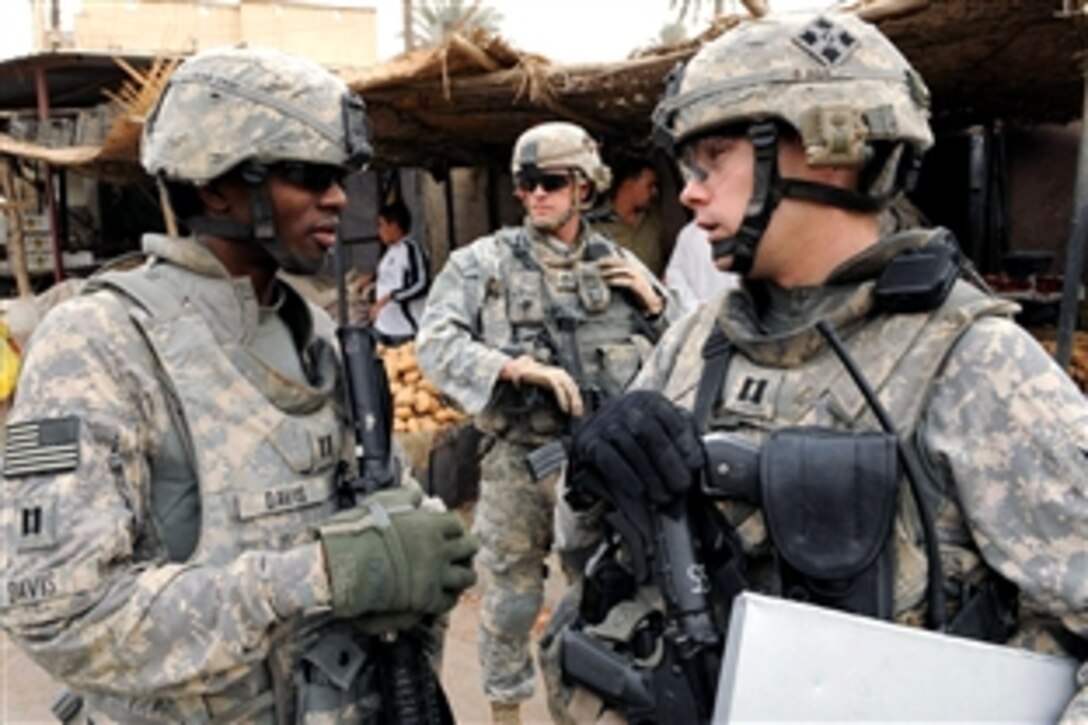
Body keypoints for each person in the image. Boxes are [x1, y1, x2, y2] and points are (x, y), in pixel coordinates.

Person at [547, 13, 1088, 722]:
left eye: (715, 155)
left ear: (833, 146)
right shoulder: (694, 345)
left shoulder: (975, 364)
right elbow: (581, 563)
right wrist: (589, 482)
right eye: (687, 166)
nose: (690, 190)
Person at [0, 46, 477, 723]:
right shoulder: (99, 342)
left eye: (338, 175)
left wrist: (420, 549)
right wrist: (323, 575)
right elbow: (54, 612)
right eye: (308, 175)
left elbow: (380, 511)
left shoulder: (314, 332)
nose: (337, 196)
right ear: (216, 186)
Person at [416, 121, 678, 724]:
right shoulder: (483, 263)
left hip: (601, 465)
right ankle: (506, 714)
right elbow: (434, 343)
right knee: (509, 598)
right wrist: (509, 367)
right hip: (520, 457)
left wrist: (657, 303)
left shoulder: (619, 264)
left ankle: (582, 709)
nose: (537, 194)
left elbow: (683, 350)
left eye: (552, 182)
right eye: (526, 182)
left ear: (585, 187)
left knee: (602, 593)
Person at [587, 152, 666, 277]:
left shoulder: (654, 220)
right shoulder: (594, 226)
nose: (655, 192)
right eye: (649, 185)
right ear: (629, 184)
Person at [369, 200, 430, 346]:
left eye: (381, 225)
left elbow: (421, 284)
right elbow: (392, 276)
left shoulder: (411, 250)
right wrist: (371, 278)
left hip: (406, 330)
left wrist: (391, 296)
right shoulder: (390, 251)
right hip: (385, 327)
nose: (379, 232)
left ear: (394, 225)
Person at [663, 219, 739, 313]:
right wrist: (695, 306)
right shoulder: (689, 233)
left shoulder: (745, 233)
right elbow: (674, 276)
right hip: (697, 317)